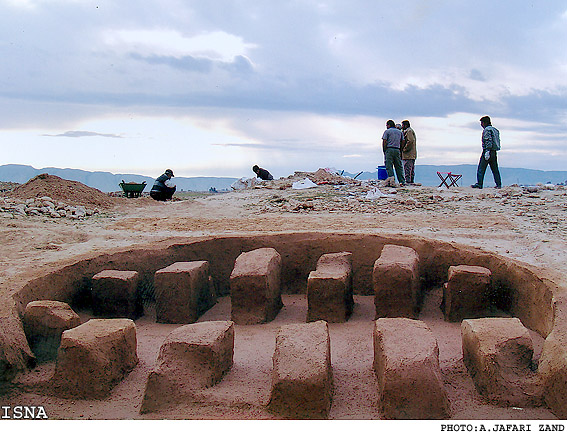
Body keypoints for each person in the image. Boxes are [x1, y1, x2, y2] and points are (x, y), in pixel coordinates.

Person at [471, 116, 502, 189]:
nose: (481, 125)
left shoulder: (487, 130)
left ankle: (479, 184)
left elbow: (488, 140)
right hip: (494, 152)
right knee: (495, 169)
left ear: (484, 123)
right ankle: (498, 184)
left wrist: (487, 150)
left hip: (488, 151)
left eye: (482, 123)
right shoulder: (495, 130)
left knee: (481, 168)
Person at [381, 120, 406, 185]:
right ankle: (402, 181)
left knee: (389, 165)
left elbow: (384, 141)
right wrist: (401, 149)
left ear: (389, 125)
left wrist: (384, 150)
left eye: (387, 125)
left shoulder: (387, 131)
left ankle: (391, 181)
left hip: (389, 149)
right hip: (397, 149)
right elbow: (403, 141)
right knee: (398, 166)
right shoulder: (399, 132)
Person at [401, 120, 417, 184]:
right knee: (410, 169)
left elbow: (410, 141)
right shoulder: (408, 131)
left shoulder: (409, 131)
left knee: (408, 169)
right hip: (411, 154)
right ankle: (410, 182)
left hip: (408, 154)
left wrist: (405, 149)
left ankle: (408, 182)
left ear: (405, 125)